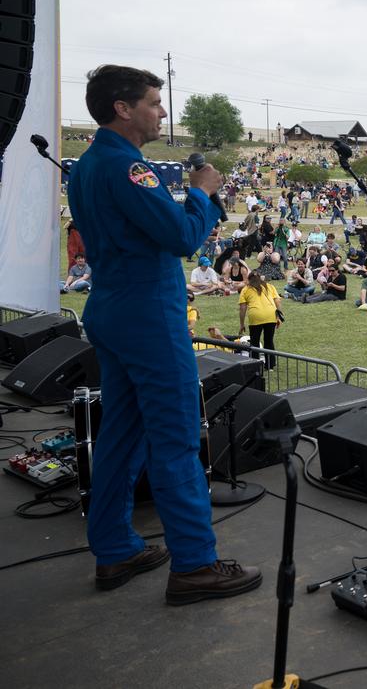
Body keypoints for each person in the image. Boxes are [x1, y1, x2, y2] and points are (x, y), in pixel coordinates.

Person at [67, 64, 259, 603]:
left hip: (112, 307)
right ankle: (195, 563)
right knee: (174, 436)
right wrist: (201, 193)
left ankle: (114, 548)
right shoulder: (131, 169)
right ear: (123, 109)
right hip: (148, 314)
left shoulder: (87, 165)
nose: (162, 111)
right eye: (154, 101)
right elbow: (180, 236)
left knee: (121, 435)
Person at [237, 271, 282, 370]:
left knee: (255, 342)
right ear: (260, 278)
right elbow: (277, 301)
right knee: (269, 341)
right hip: (271, 315)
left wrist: (241, 324)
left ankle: (255, 366)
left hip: (255, 316)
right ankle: (270, 366)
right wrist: (278, 317)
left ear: (249, 280)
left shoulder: (245, 290)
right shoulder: (269, 286)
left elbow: (243, 308)